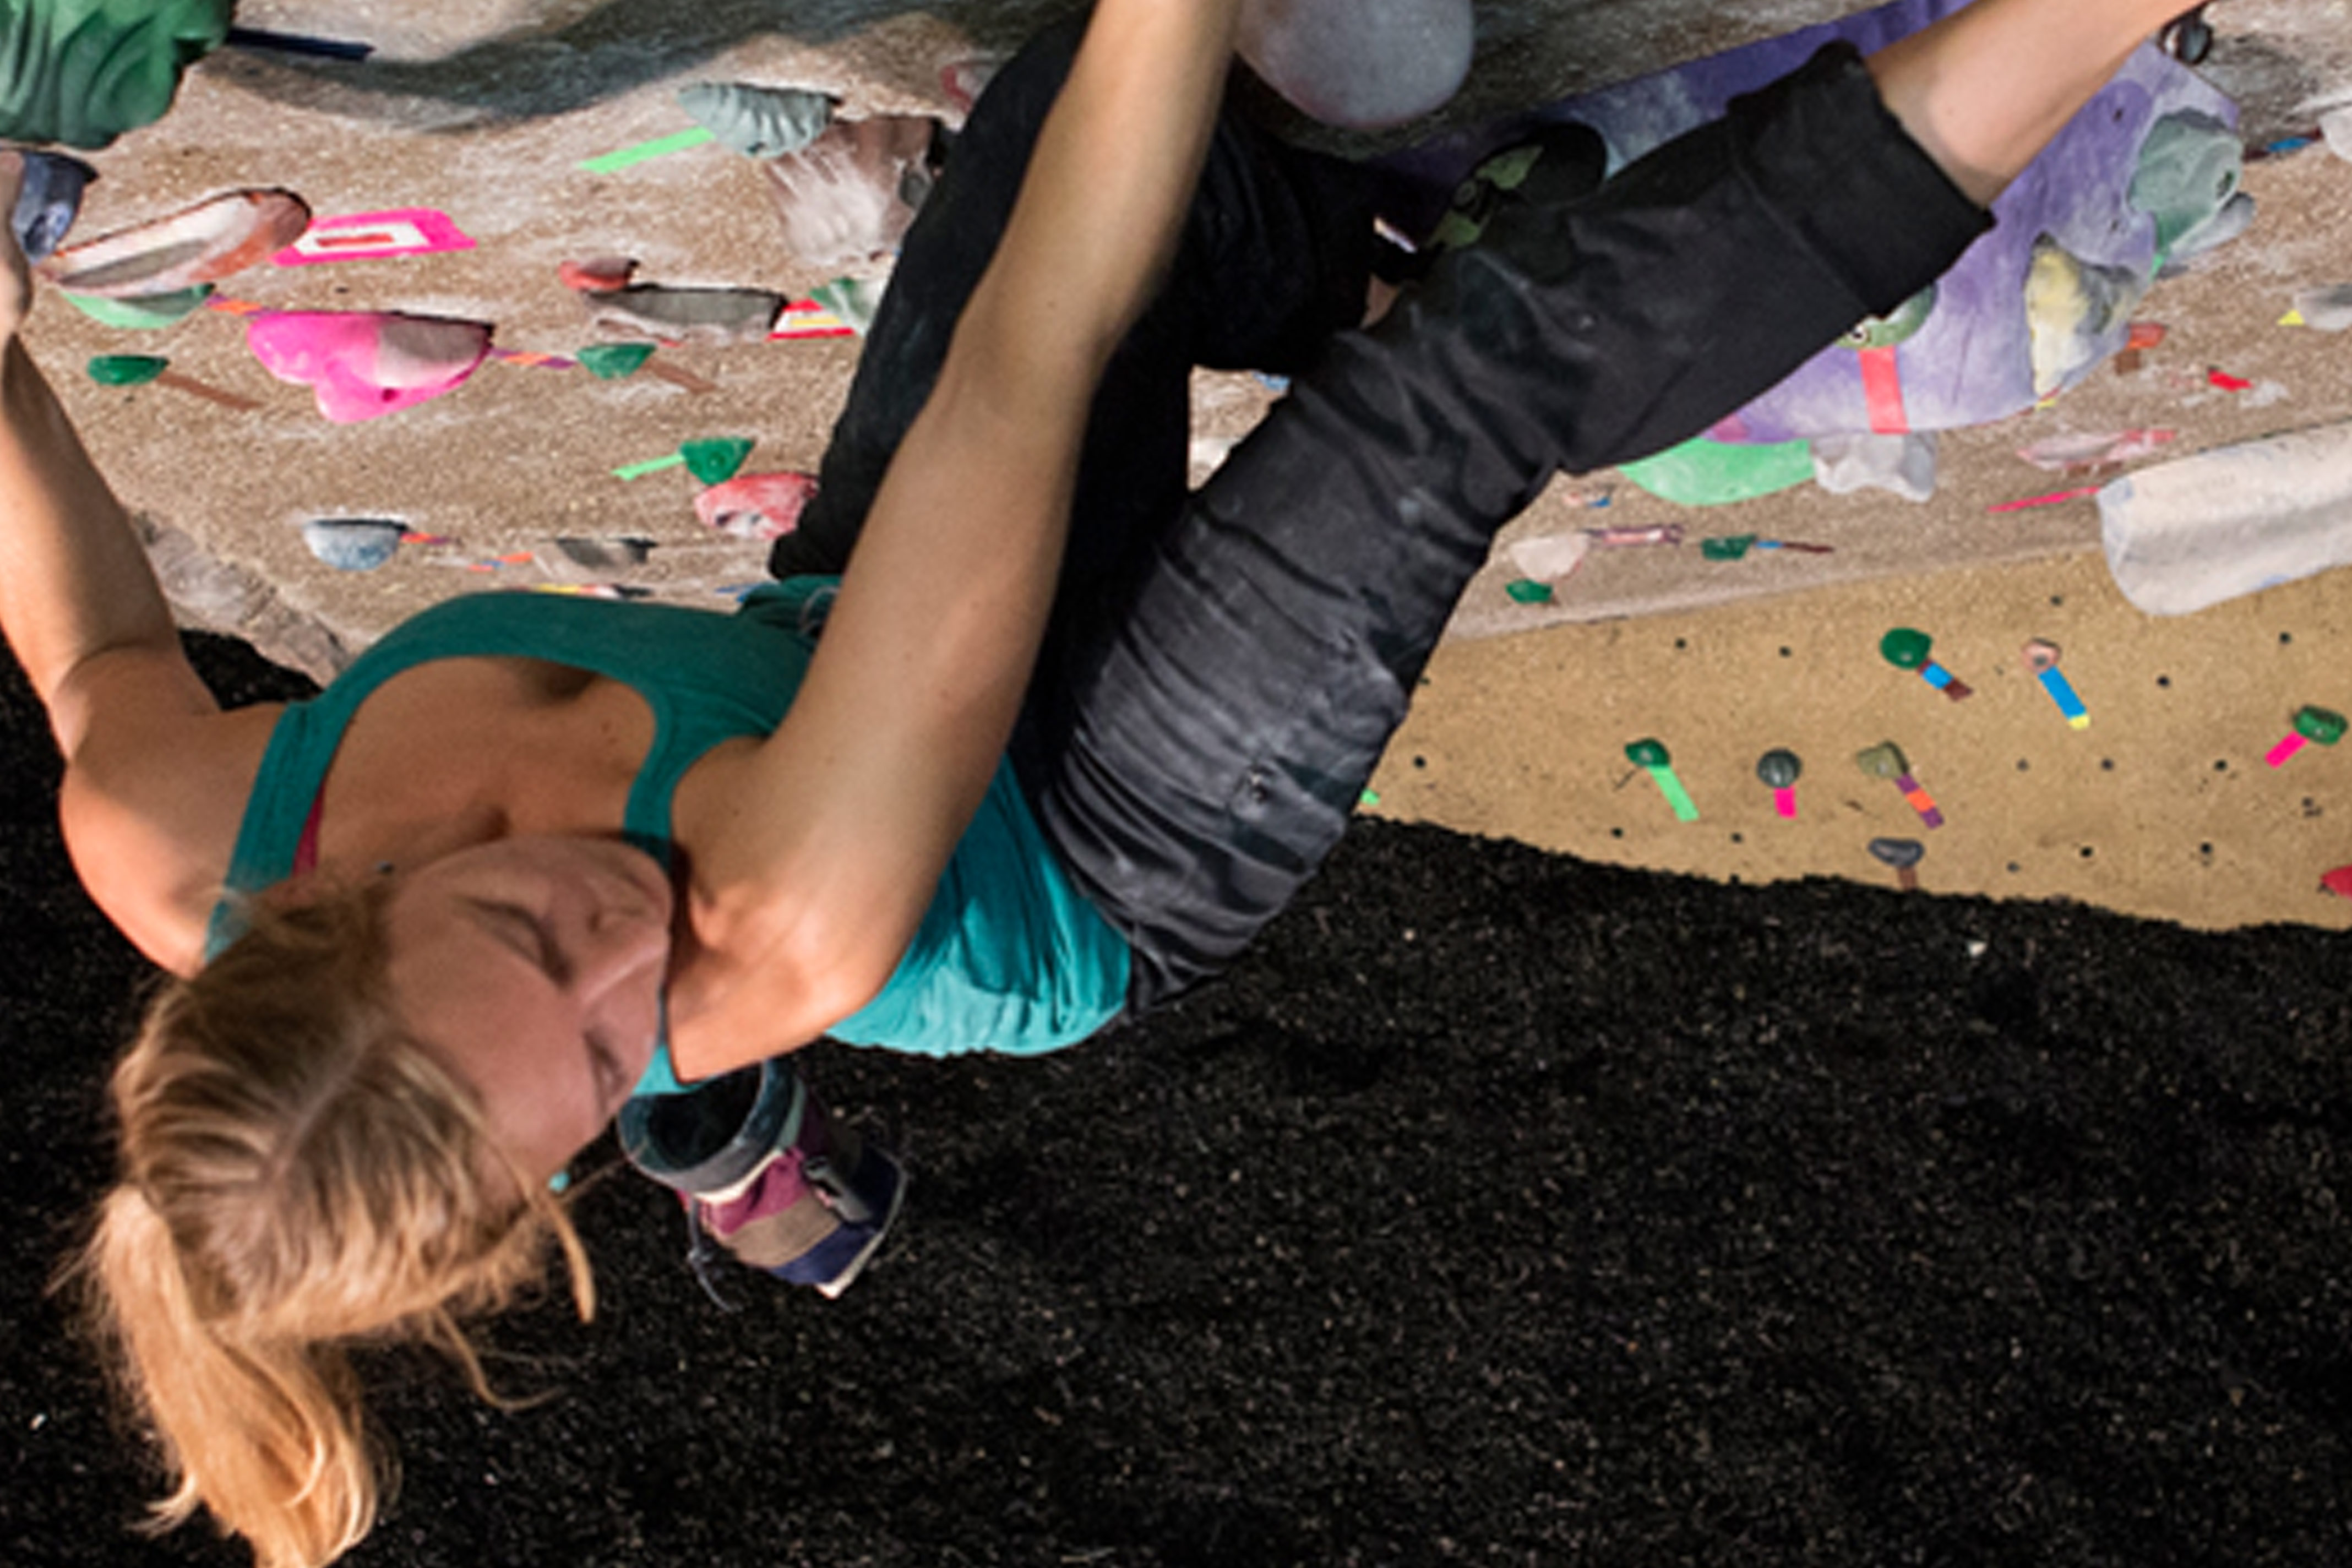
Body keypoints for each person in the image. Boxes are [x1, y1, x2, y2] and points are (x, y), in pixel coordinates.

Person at [0, 1, 2203, 1564]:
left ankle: (1364, 246)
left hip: (840, 646)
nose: (629, 945)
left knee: (1095, 116)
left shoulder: (169, 823)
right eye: (608, 1068)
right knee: (1467, 384)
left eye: (525, 927)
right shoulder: (779, 925)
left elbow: (94, 646)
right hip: (1092, 847)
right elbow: (1015, 377)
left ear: (310, 904)